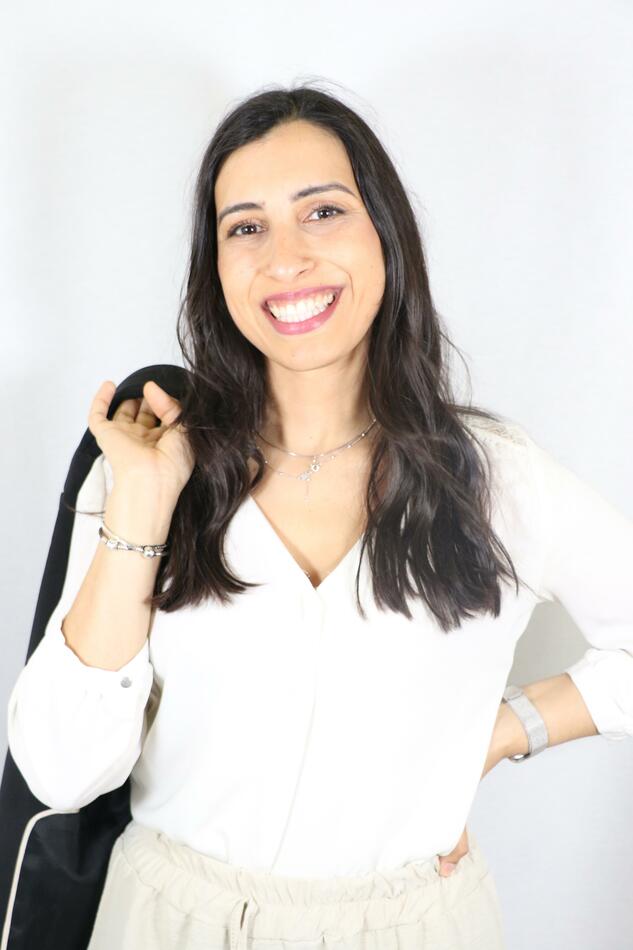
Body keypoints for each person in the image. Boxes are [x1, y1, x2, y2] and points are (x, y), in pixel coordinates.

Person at [6, 83, 633, 950]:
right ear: (215, 267)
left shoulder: (494, 479)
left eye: (323, 212)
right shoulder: (151, 465)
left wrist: (503, 730)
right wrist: (143, 506)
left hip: (412, 928)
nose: (285, 258)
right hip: (166, 923)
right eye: (246, 227)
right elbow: (61, 771)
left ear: (386, 236)